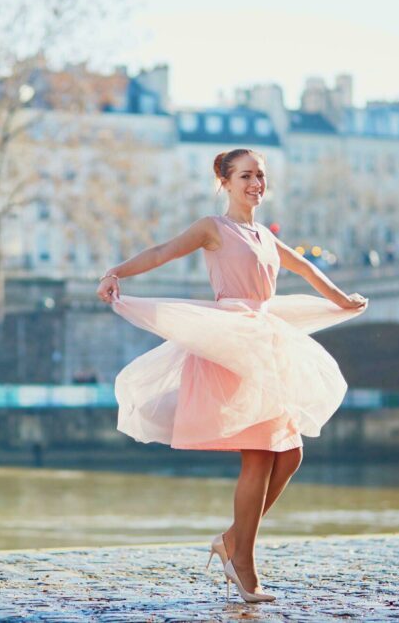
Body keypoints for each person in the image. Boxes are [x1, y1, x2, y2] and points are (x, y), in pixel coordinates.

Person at [96, 148, 368, 604]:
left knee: (290, 454)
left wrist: (343, 300)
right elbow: (163, 251)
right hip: (232, 346)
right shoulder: (212, 228)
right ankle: (244, 563)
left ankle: (230, 540)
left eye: (260, 175)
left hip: (267, 347)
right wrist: (115, 272)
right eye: (245, 175)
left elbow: (305, 268)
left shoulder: (264, 234)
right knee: (260, 456)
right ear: (224, 181)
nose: (255, 183)